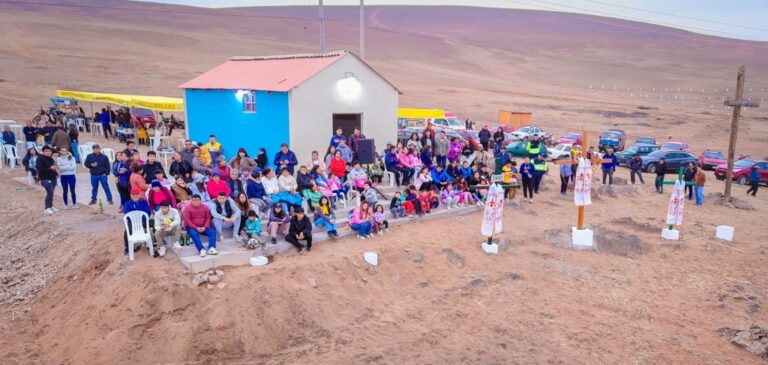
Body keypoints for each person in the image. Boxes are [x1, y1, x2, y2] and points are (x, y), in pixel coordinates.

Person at [123, 188, 152, 255]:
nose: (135, 196)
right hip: (132, 222)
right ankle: (127, 247)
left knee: (154, 224)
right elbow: (127, 214)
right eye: (133, 194)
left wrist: (141, 219)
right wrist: (135, 219)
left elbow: (148, 212)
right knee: (127, 231)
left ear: (139, 195)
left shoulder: (144, 202)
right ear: (130, 195)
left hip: (143, 221)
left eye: (137, 194)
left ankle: (153, 243)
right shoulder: (127, 203)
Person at [37, 146, 58, 214]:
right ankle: (46, 208)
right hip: (45, 178)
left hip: (53, 177)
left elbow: (53, 168)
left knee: (52, 193)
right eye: (46, 151)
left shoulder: (51, 159)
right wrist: (49, 168)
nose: (48, 152)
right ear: (43, 151)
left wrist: (56, 173)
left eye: (49, 151)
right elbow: (39, 169)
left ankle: (51, 206)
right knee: (50, 193)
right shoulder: (40, 159)